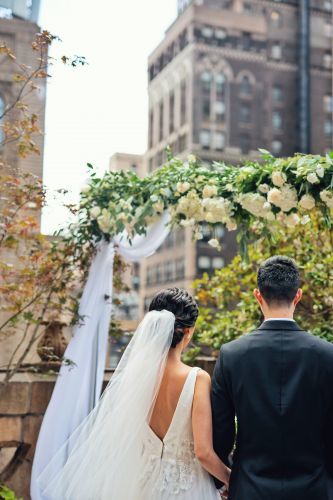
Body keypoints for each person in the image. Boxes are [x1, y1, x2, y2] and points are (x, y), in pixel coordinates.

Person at [38, 287, 230, 499]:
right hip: (188, 489)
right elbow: (203, 453)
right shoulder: (197, 379)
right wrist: (231, 478)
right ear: (187, 331)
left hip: (141, 486)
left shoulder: (134, 377)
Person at [211, 255, 333, 500]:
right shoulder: (327, 355)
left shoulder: (231, 355)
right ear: (297, 295)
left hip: (250, 488)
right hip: (315, 488)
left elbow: (220, 433)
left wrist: (222, 480)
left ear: (258, 295)